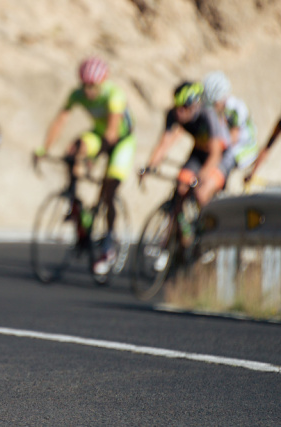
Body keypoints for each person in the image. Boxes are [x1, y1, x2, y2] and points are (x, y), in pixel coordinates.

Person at [36, 56, 137, 275]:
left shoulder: (114, 95)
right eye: (85, 86)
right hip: (99, 133)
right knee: (72, 152)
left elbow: (112, 134)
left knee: (109, 191)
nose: (89, 91)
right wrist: (44, 149)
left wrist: (92, 159)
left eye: (93, 86)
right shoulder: (78, 94)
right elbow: (60, 120)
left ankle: (109, 242)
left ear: (102, 82)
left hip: (121, 140)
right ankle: (75, 204)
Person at [142, 81, 231, 247]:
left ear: (194, 105)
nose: (179, 112)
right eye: (177, 107)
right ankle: (181, 239)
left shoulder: (208, 116)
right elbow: (164, 143)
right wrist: (150, 166)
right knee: (180, 187)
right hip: (198, 153)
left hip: (221, 155)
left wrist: (201, 177)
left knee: (200, 192)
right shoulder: (173, 115)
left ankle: (211, 234)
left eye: (184, 107)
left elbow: (216, 153)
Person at [202, 71, 259, 174]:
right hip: (227, 144)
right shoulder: (216, 108)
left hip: (242, 148)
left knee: (216, 169)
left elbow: (233, 138)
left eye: (214, 104)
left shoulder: (236, 109)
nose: (213, 108)